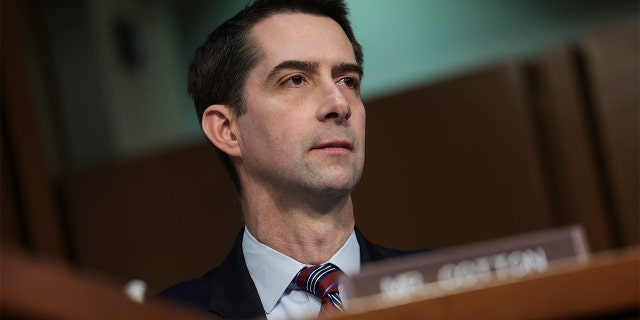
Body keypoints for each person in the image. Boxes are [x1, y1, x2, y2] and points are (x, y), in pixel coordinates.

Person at [157, 1, 421, 319]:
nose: (339, 104)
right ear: (227, 130)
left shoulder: (458, 288)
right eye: (295, 80)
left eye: (347, 81)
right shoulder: (164, 314)